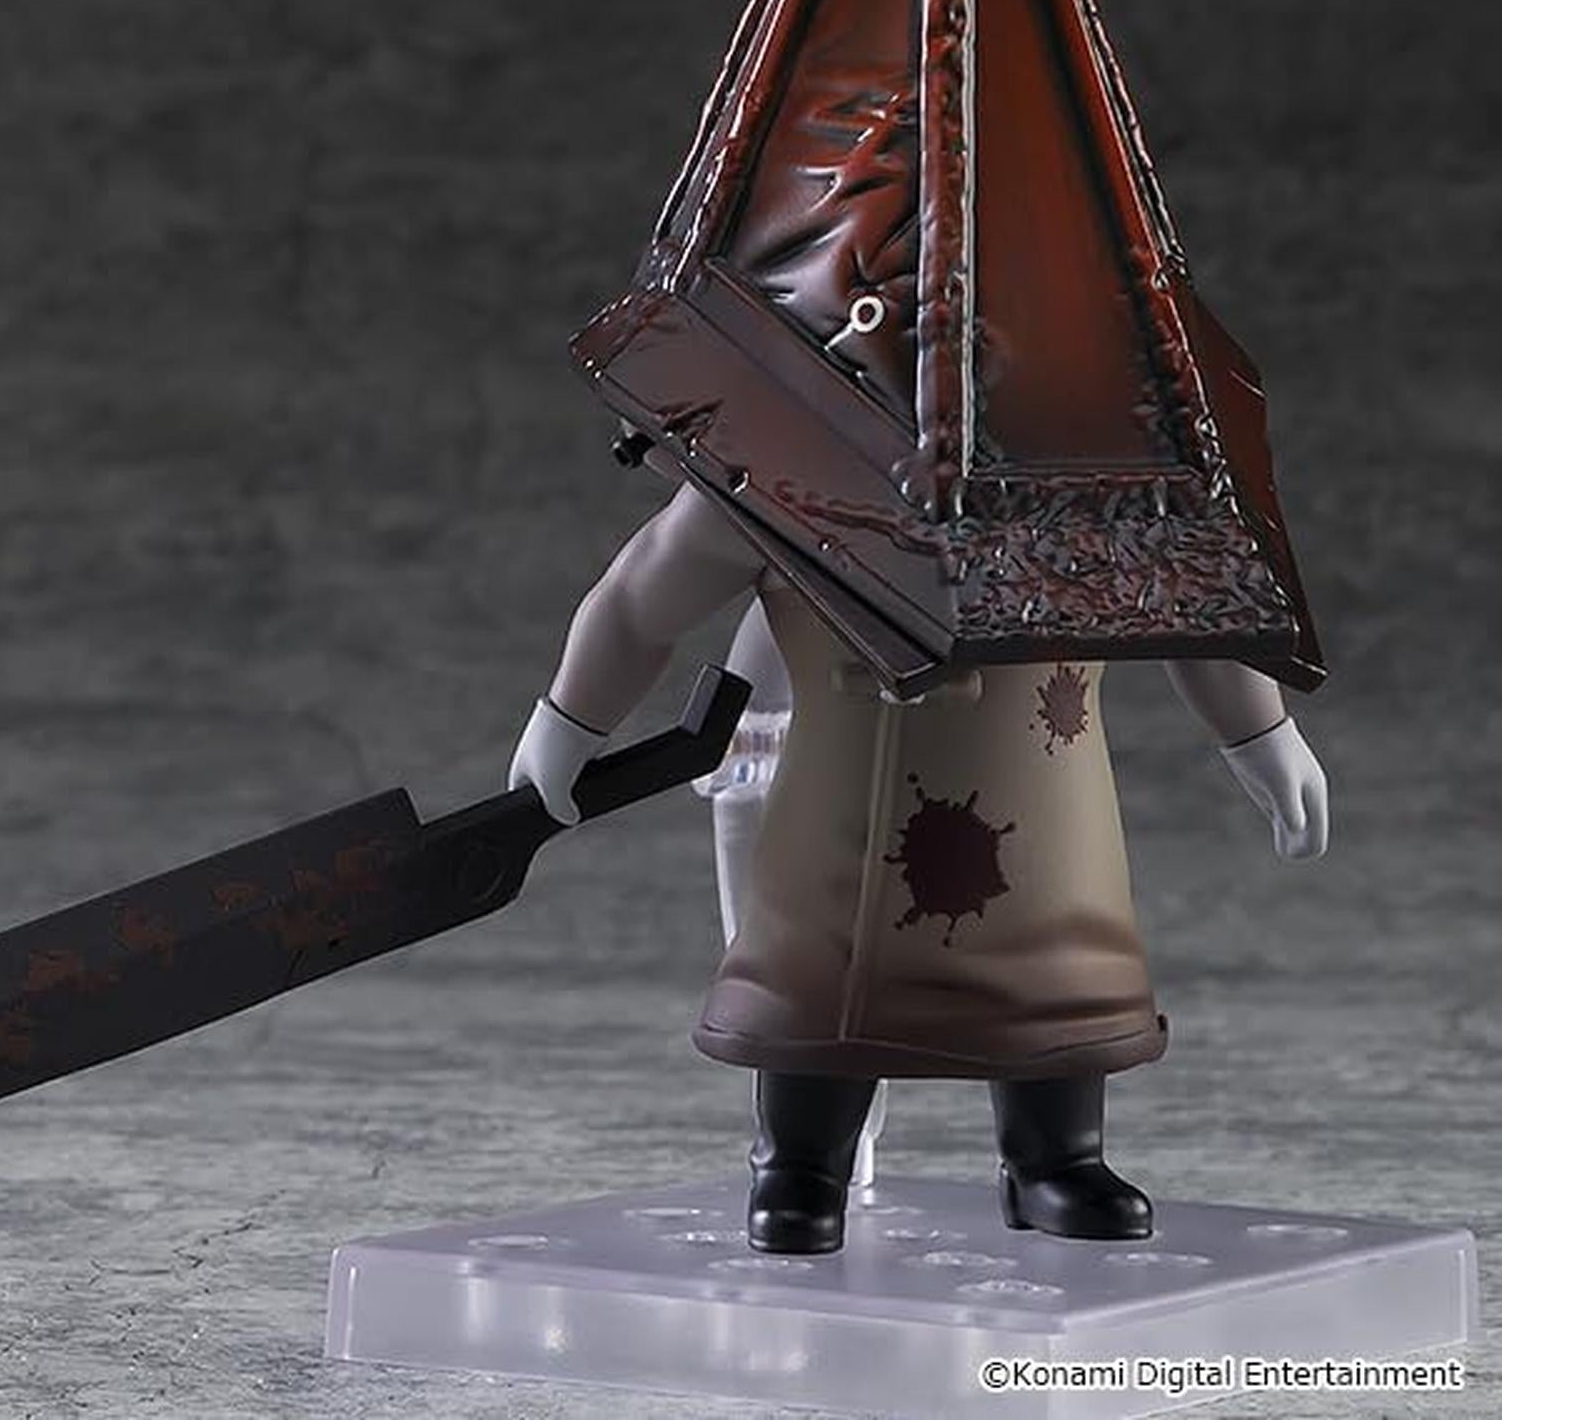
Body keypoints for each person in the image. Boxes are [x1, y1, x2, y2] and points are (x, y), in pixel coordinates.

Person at [508, 479, 1329, 1252]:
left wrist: (1262, 735)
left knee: (1057, 958)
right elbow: (644, 593)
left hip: (1037, 766)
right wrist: (568, 721)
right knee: (818, 970)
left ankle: (1056, 1159)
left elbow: (1191, 594)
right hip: (845, 776)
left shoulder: (1099, 462)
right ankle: (802, 1162)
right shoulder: (780, 452)